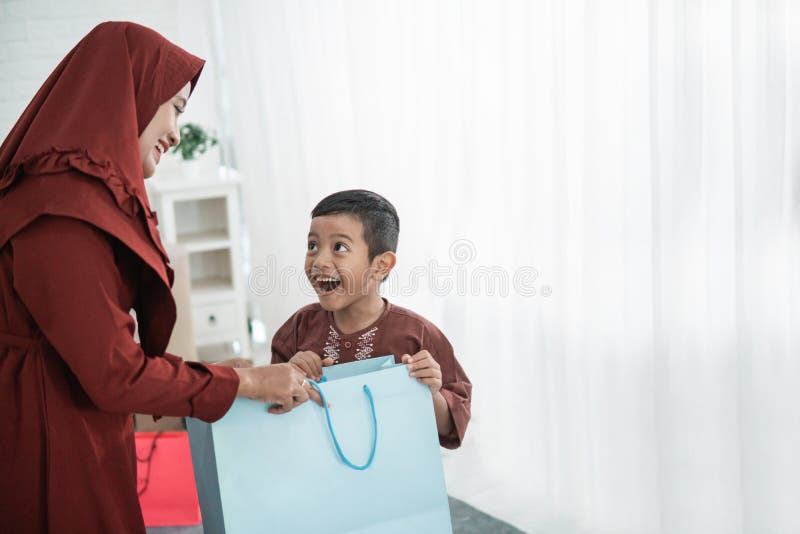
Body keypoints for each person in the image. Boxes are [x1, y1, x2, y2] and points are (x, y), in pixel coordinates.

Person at [0, 22, 317, 533]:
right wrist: (246, 382)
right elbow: (113, 374)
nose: (176, 131)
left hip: (64, 420)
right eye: (175, 108)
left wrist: (216, 376)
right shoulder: (60, 213)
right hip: (46, 441)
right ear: (128, 94)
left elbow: (92, 349)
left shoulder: (74, 200)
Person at [271, 189, 472, 448]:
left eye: (339, 247)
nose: (319, 261)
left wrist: (430, 393)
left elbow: (451, 429)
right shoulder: (298, 328)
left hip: (394, 479)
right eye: (312, 246)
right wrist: (289, 375)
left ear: (381, 265)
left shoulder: (419, 335)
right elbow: (271, 413)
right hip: (317, 477)